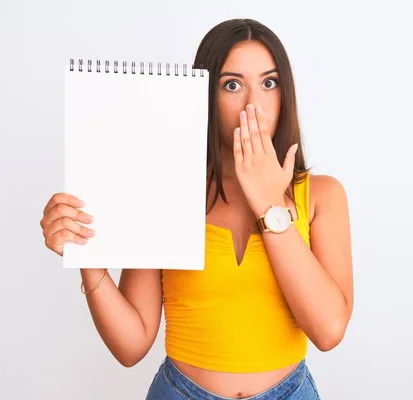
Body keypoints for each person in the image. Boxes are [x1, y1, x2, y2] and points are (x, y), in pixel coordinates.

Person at [40, 18, 353, 400]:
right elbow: (131, 344)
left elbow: (329, 330)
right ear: (206, 95)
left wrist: (271, 204)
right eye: (232, 84)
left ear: (284, 94)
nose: (253, 104)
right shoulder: (168, 192)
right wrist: (86, 253)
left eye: (268, 83)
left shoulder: (323, 195)